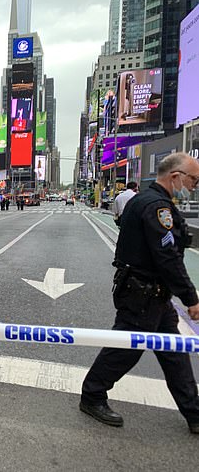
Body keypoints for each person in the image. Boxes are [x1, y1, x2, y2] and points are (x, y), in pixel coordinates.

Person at [80, 152, 199, 434]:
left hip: (152, 294)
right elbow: (167, 256)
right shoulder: (157, 207)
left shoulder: (145, 201)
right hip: (142, 294)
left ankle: (194, 412)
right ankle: (92, 395)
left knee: (174, 352)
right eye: (193, 180)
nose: (194, 186)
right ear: (176, 177)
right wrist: (191, 298)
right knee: (125, 349)